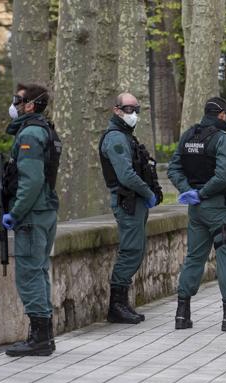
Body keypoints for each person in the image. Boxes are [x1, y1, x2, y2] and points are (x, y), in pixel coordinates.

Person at [168, 96, 226, 332]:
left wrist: (188, 191)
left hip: (195, 209)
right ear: (222, 115)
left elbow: (174, 167)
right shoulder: (222, 139)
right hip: (217, 207)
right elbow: (225, 175)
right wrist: (204, 193)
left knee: (194, 258)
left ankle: (182, 315)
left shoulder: (189, 135)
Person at [2, 83, 61, 356]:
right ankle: (44, 336)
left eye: (19, 100)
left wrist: (15, 213)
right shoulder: (45, 130)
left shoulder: (31, 134)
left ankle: (39, 338)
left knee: (28, 274)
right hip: (45, 211)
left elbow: (32, 180)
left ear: (31, 105)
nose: (14, 104)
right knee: (39, 271)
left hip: (32, 214)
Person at [99, 92, 162, 324]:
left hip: (134, 200)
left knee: (135, 249)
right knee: (130, 250)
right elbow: (125, 174)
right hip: (127, 200)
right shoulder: (116, 138)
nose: (133, 114)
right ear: (117, 110)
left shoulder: (126, 136)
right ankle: (116, 305)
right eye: (128, 109)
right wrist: (148, 193)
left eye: (137, 109)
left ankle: (122, 303)